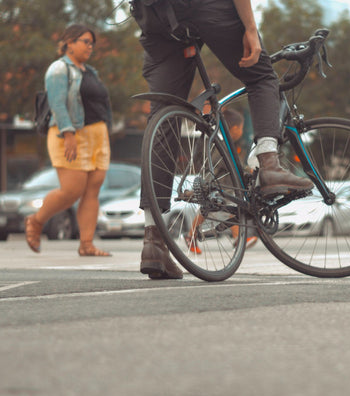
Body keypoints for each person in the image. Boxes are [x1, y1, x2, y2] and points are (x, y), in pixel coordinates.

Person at [132, 0, 313, 279]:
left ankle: (153, 241)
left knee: (164, 114)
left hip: (154, 15)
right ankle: (269, 164)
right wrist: (250, 28)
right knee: (262, 76)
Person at [24, 24, 113, 256]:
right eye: (85, 41)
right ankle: (36, 220)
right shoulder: (59, 68)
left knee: (92, 190)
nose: (89, 46)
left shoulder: (91, 71)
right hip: (71, 133)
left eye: (92, 43)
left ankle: (86, 244)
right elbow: (57, 103)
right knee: (72, 190)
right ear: (69, 43)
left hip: (97, 135)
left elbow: (101, 102)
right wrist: (68, 133)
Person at [184, 108, 257, 254]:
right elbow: (227, 165)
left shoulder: (220, 143)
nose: (242, 132)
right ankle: (239, 238)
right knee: (230, 209)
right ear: (235, 129)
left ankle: (191, 237)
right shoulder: (223, 146)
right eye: (241, 128)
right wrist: (246, 171)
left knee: (208, 211)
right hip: (217, 185)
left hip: (220, 184)